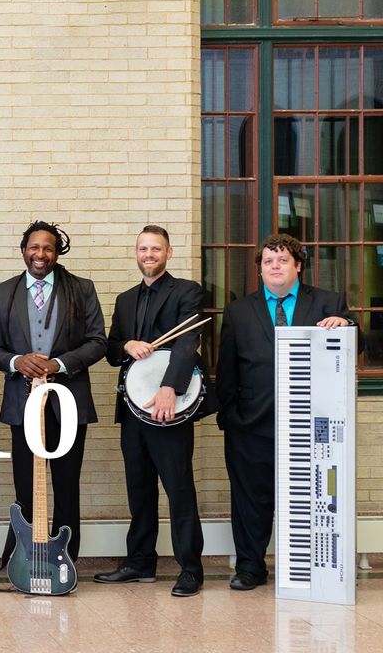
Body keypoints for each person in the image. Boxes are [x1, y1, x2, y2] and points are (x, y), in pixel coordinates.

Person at [216, 233, 352, 591]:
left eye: (282, 260)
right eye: (268, 261)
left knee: (311, 496)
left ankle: (311, 567)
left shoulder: (328, 303)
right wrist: (228, 417)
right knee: (250, 499)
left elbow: (358, 344)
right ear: (260, 270)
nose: (275, 266)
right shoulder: (238, 311)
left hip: (312, 425)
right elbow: (226, 367)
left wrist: (346, 326)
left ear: (298, 266)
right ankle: (250, 566)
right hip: (251, 424)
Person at [0, 221, 106, 564]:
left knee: (66, 487)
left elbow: (98, 342)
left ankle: (65, 561)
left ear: (57, 252)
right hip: (22, 404)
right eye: (34, 247)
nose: (40, 254)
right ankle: (22, 558)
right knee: (25, 489)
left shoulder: (81, 289)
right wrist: (17, 361)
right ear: (23, 250)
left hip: (68, 403)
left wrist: (59, 365)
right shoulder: (3, 292)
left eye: (48, 248)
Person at [96, 226, 205, 597]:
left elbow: (188, 342)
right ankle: (140, 561)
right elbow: (111, 351)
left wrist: (168, 388)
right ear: (136, 252)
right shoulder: (125, 299)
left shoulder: (186, 291)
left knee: (178, 488)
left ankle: (191, 568)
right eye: (143, 248)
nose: (148, 254)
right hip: (132, 409)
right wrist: (126, 343)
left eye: (155, 249)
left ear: (168, 253)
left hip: (168, 407)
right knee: (139, 489)